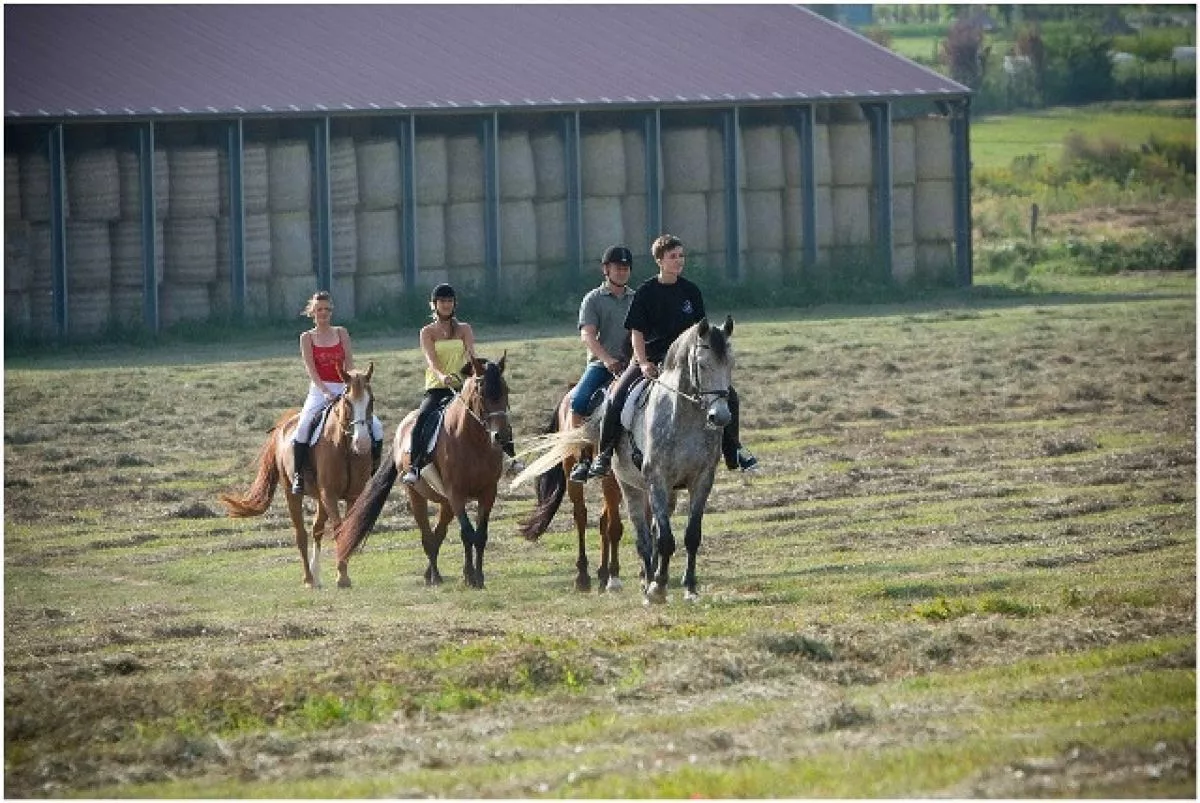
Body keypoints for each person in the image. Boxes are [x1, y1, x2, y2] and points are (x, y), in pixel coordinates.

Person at [586, 233, 758, 480]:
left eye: (681, 256)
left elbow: (702, 333)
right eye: (672, 256)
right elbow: (636, 333)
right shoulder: (646, 292)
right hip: (652, 360)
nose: (679, 261)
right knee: (616, 396)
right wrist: (643, 363)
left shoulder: (691, 291)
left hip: (685, 363)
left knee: (730, 396)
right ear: (659, 260)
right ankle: (604, 455)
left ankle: (734, 451)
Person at [290, 290, 384, 495]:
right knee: (303, 427)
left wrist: (354, 382)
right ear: (312, 312)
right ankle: (299, 475)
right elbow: (311, 369)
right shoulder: (307, 337)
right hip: (319, 389)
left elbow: (349, 363)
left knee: (376, 426)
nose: (323, 313)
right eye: (319, 309)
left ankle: (373, 470)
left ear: (331, 311)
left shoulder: (341, 332)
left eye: (327, 309)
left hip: (344, 386)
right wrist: (324, 391)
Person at [567, 245, 636, 483]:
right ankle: (584, 458)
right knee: (578, 401)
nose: (622, 272)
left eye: (626, 268)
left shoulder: (636, 299)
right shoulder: (593, 300)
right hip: (600, 365)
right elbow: (587, 335)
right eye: (618, 268)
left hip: (632, 365)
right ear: (606, 269)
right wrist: (608, 361)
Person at [401, 283, 480, 485]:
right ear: (434, 304)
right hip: (437, 386)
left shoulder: (465, 329)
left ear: (455, 304)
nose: (446, 304)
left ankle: (508, 453)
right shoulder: (427, 332)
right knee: (422, 420)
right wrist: (442, 376)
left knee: (492, 409)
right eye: (442, 301)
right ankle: (415, 466)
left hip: (463, 386)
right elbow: (431, 360)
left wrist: (476, 374)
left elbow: (472, 355)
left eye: (449, 301)